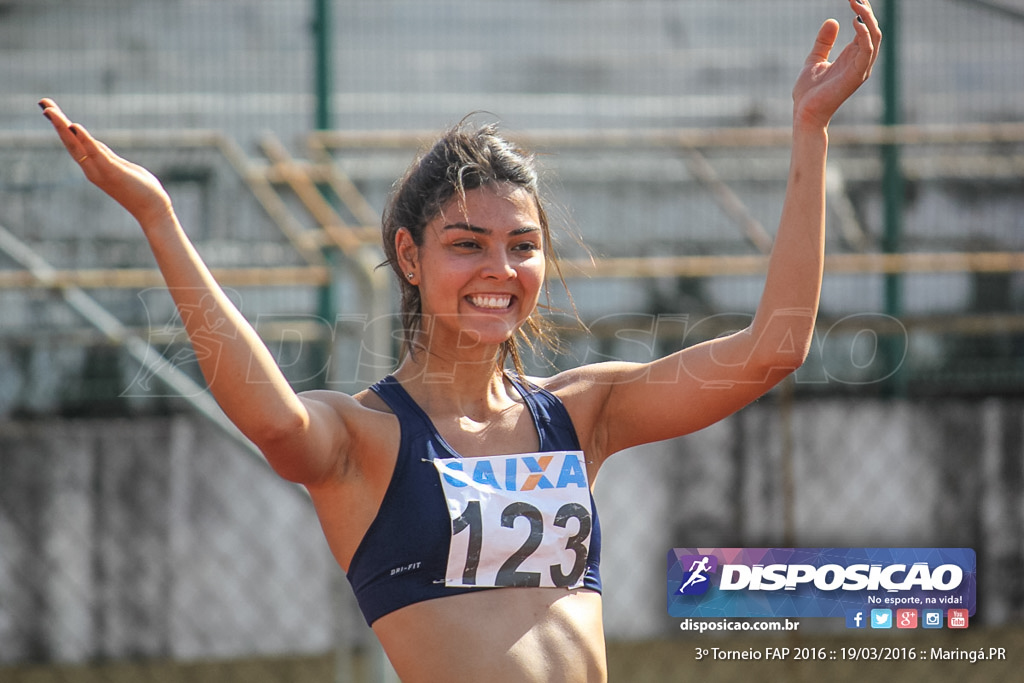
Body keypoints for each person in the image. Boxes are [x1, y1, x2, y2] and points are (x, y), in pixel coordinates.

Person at [40, 2, 880, 680]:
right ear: (410, 256)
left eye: (522, 244)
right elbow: (271, 421)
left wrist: (809, 132)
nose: (500, 267)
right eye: (467, 242)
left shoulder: (580, 415)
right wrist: (159, 216)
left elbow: (775, 346)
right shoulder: (365, 440)